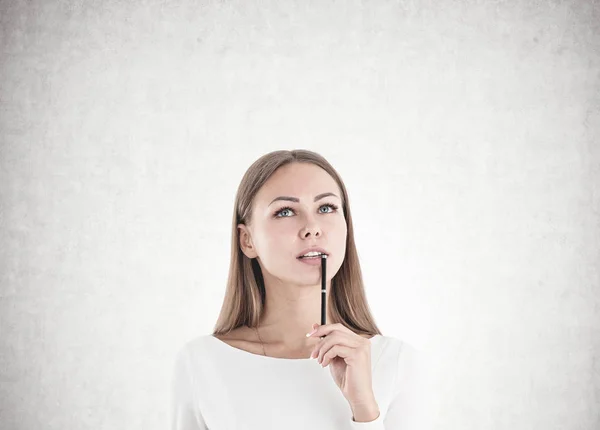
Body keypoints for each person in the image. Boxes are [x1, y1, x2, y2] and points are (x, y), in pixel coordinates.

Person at [170, 150, 431, 429]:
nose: (312, 228)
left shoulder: (396, 362)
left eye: (327, 208)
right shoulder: (201, 363)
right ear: (247, 240)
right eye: (285, 211)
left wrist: (364, 408)